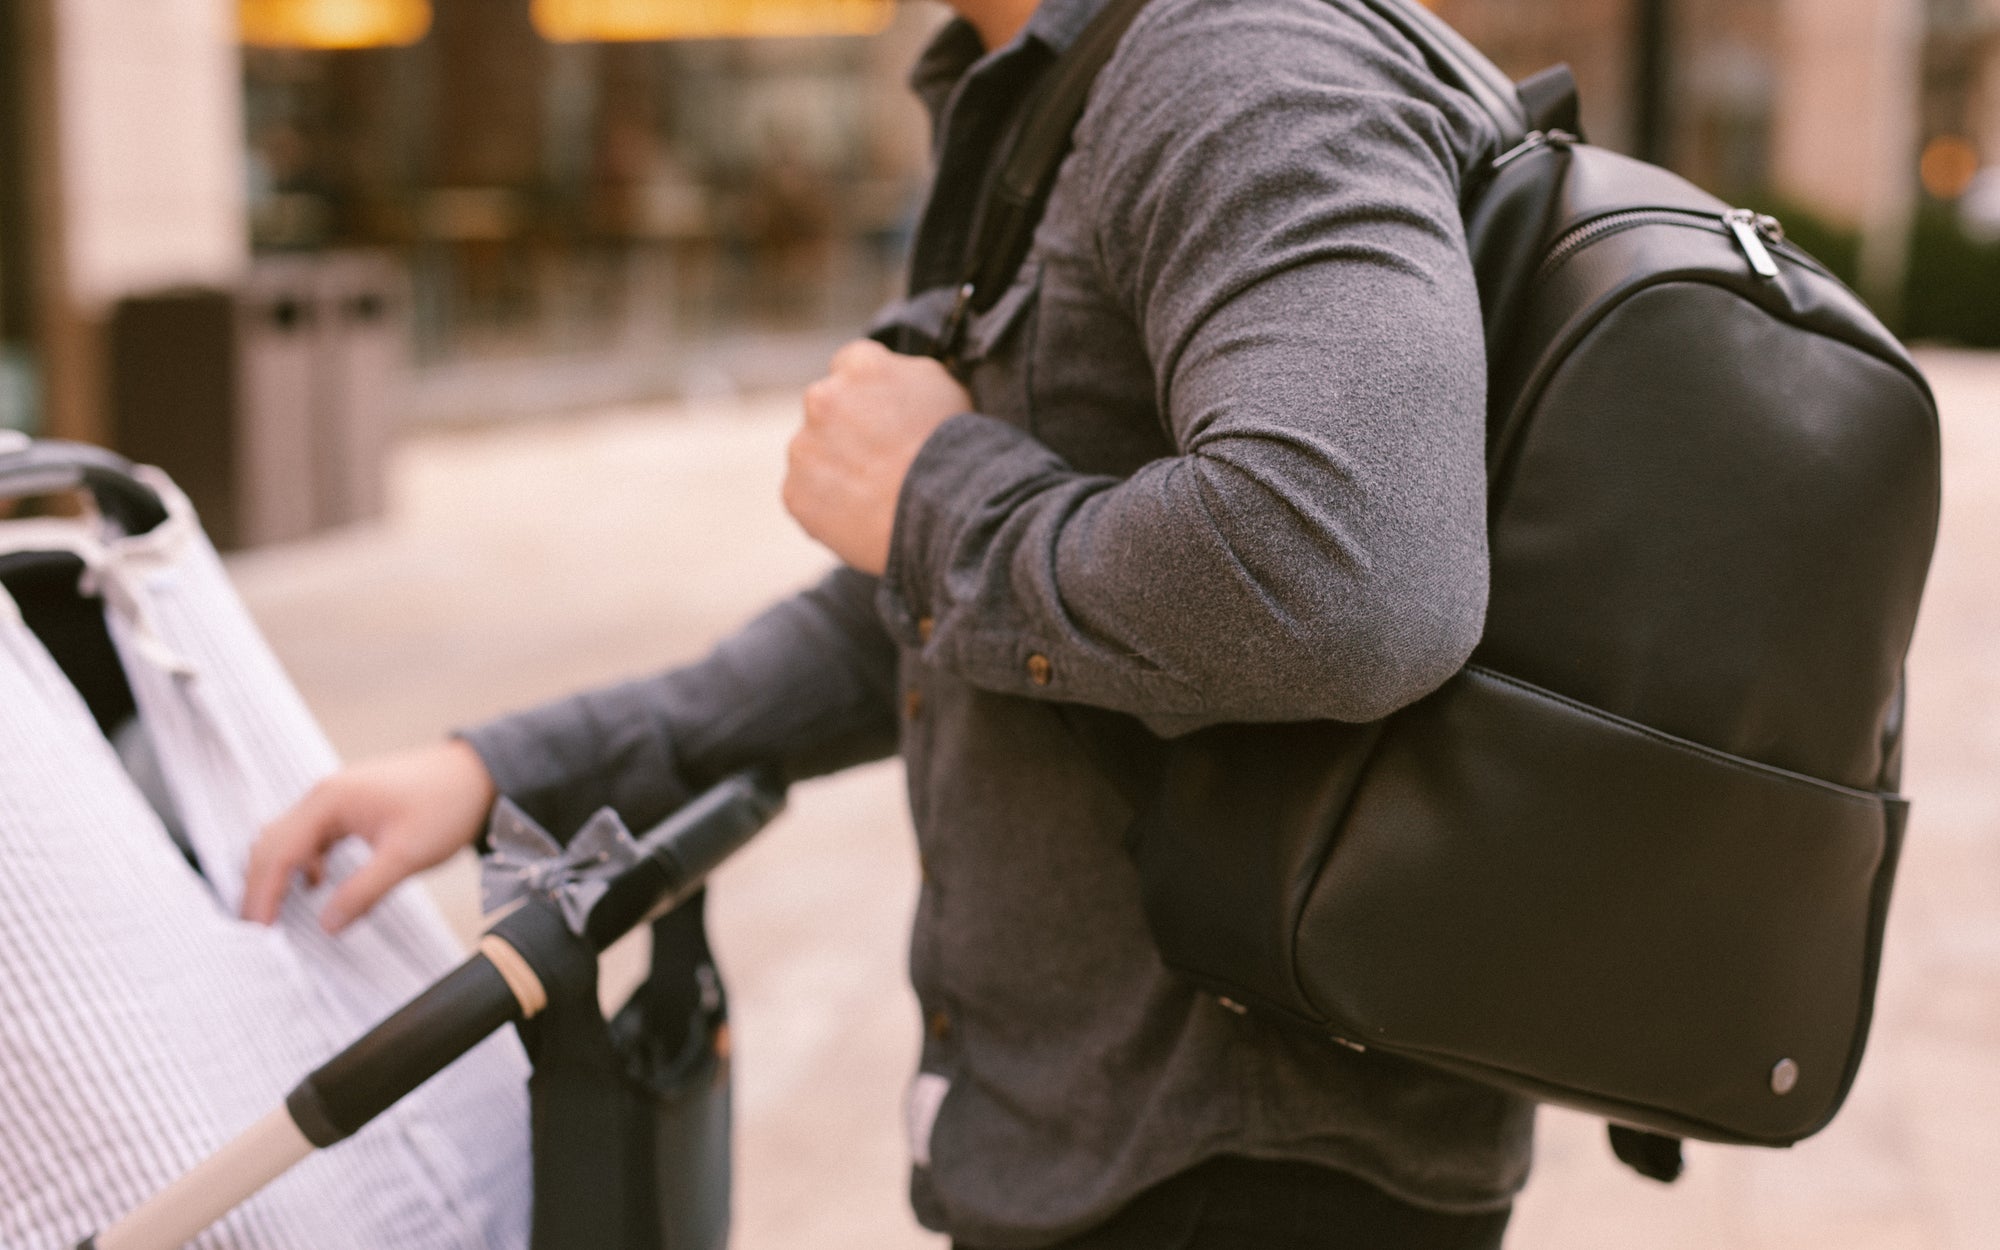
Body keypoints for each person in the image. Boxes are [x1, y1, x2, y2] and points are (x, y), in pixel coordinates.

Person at [243, 0, 1536, 1245]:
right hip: (1124, 1151)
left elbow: (1354, 583)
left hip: (1240, 1175)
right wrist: (500, 771)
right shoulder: (1064, 76)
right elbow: (946, 615)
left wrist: (928, 493)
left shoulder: (1236, 66)